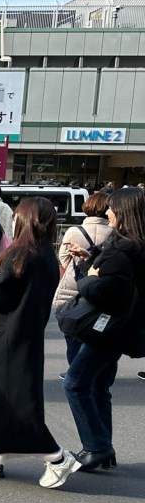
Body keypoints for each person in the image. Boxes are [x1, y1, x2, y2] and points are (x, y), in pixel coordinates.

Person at [0, 198, 83, 489]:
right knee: (4, 400)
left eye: (17, 216)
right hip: (24, 335)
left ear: (26, 220)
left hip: (5, 336)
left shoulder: (22, 253)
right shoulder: (44, 255)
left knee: (13, 404)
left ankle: (56, 458)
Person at [61, 187, 145, 471]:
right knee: (98, 386)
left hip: (106, 327)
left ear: (124, 213)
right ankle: (102, 447)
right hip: (124, 327)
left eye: (111, 208)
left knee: (76, 382)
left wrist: (87, 277)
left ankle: (96, 447)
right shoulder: (134, 246)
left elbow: (106, 291)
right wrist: (91, 261)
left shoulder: (123, 249)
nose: (107, 212)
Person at [52, 192, 112, 368]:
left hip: (73, 285)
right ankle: (89, 371)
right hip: (100, 286)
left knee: (72, 331)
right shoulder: (114, 233)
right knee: (96, 331)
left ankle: (74, 370)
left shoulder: (73, 231)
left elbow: (63, 258)